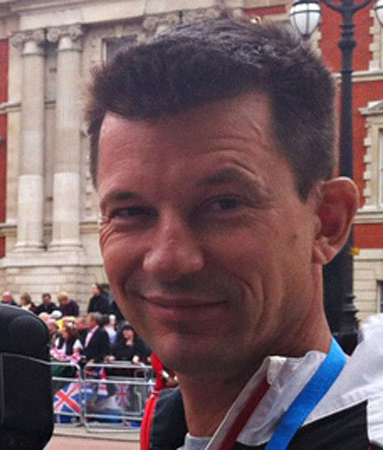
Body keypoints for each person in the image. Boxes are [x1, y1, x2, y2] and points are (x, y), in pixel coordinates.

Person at [87, 17, 382, 449]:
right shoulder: (171, 430)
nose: (168, 259)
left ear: (327, 222)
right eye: (130, 212)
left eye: (224, 204)